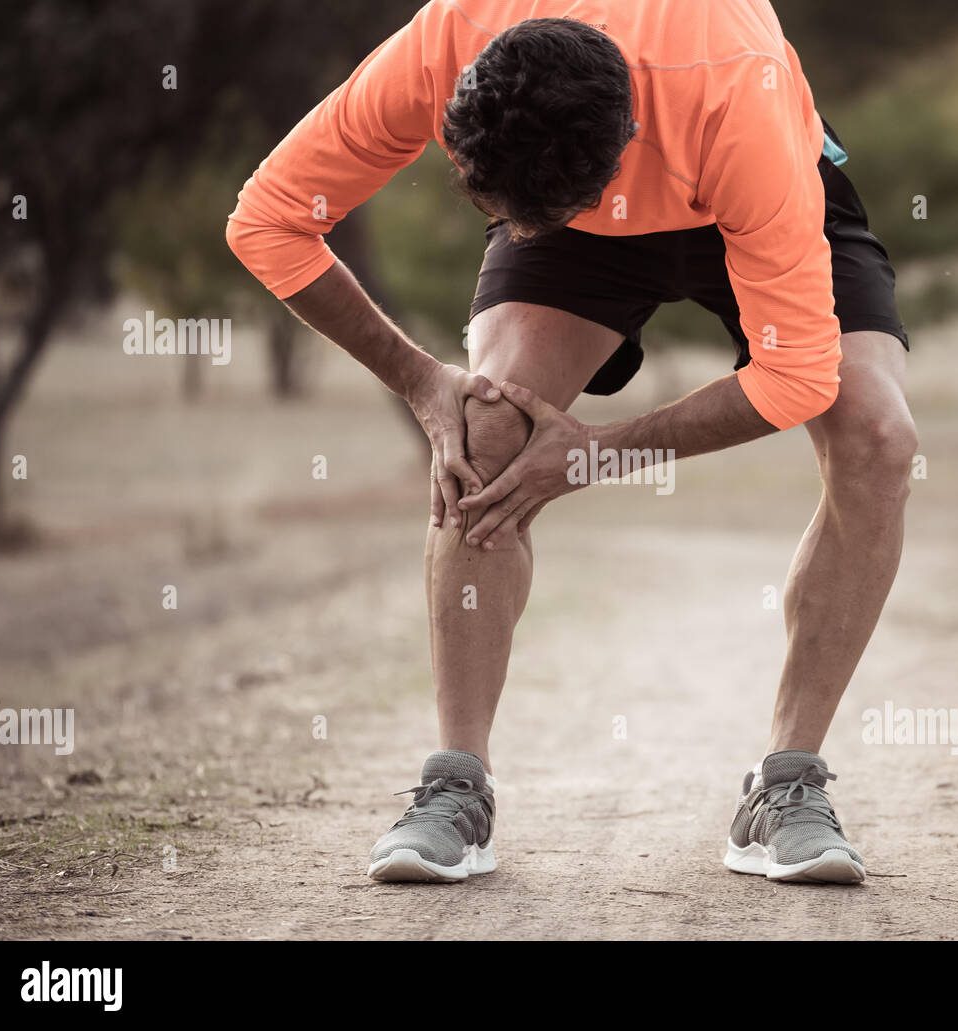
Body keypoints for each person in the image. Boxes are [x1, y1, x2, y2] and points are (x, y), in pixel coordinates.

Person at [226, 0, 915, 885]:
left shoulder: (733, 90)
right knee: (488, 428)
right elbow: (268, 219)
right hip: (581, 198)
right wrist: (421, 382)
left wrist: (596, 452)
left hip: (740, 174)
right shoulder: (449, 37)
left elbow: (798, 377)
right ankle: (456, 784)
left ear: (623, 141)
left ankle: (785, 785)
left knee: (880, 439)